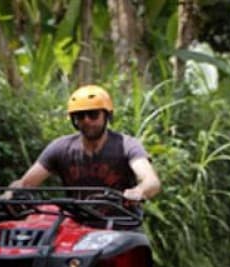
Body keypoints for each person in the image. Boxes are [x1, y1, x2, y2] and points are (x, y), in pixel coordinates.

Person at [9, 84, 161, 202]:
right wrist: (8, 195)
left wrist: (139, 191)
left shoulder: (127, 145)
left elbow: (151, 181)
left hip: (120, 226)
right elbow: (26, 183)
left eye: (93, 114)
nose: (87, 120)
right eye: (80, 116)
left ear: (107, 116)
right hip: (75, 226)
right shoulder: (60, 148)